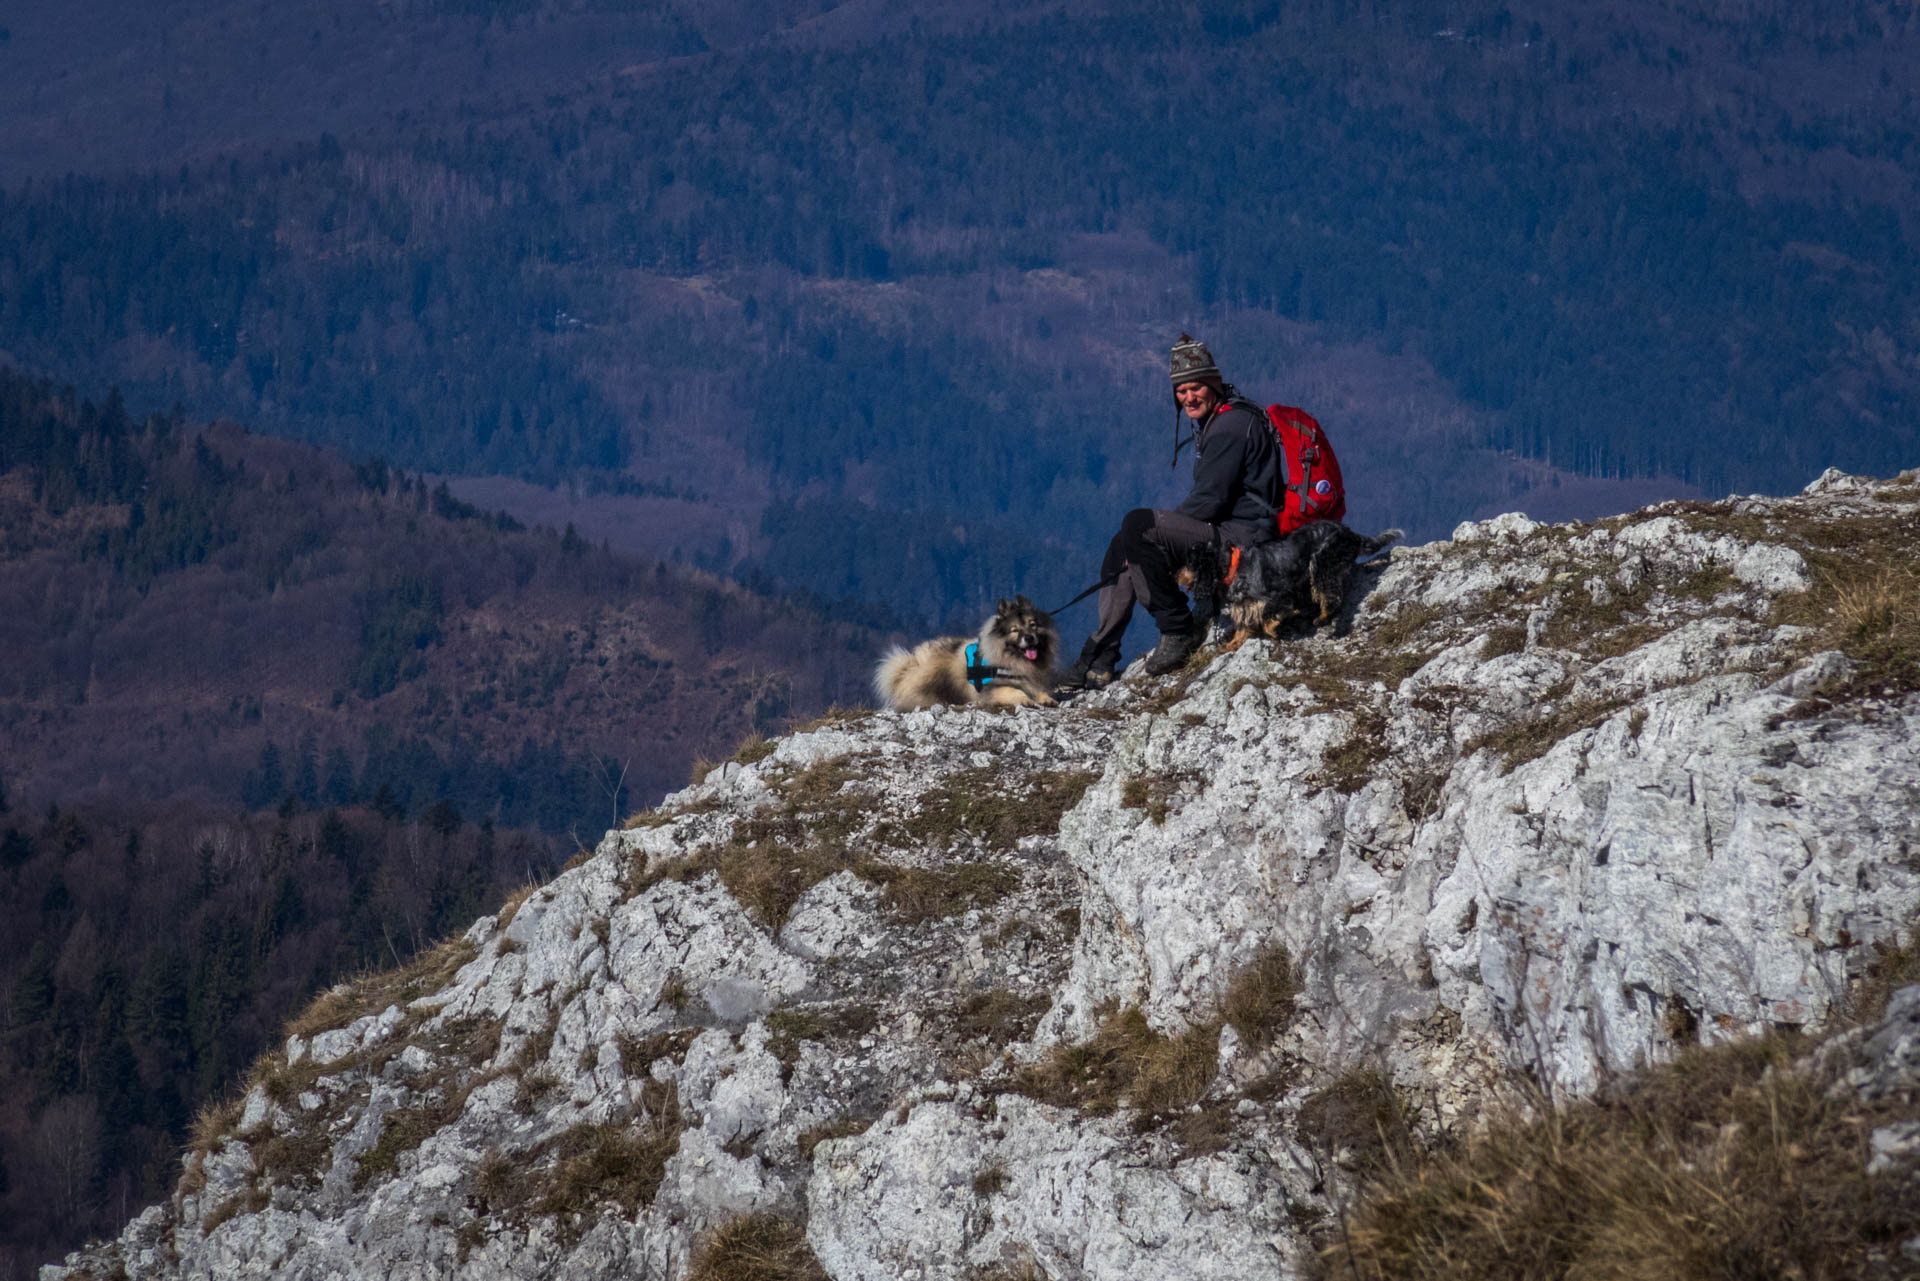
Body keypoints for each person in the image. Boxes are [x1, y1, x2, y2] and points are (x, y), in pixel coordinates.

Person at [1058, 334, 1283, 686]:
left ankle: (1177, 629)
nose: (1189, 397)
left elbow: (1209, 500)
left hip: (1247, 542)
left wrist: (1160, 537)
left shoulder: (1231, 426)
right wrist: (1153, 538)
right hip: (1234, 533)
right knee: (1128, 538)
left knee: (1139, 526)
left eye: (1196, 388)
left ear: (1214, 383)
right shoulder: (1224, 418)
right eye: (1181, 391)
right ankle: (1098, 657)